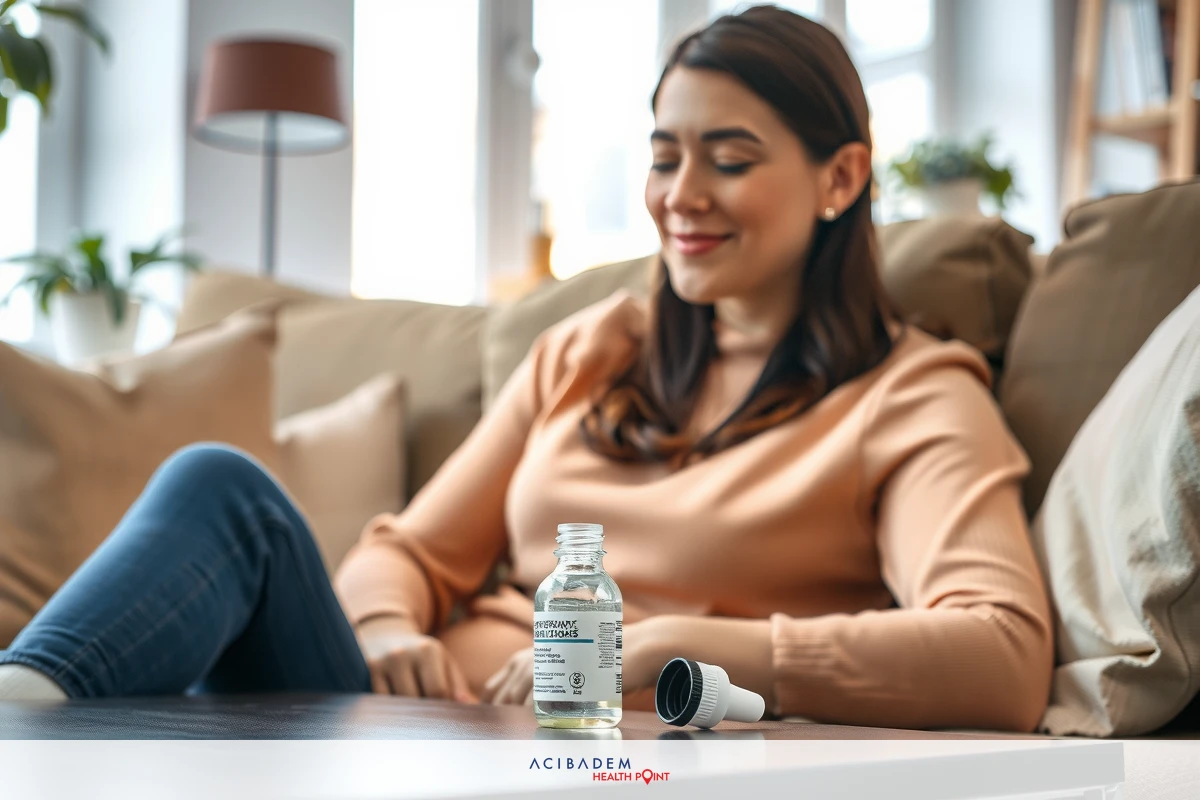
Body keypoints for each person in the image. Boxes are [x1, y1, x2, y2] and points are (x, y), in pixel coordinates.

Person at [0, 5, 1053, 732]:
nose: (680, 193)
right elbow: (406, 548)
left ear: (841, 178)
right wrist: (381, 619)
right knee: (220, 487)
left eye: (728, 158)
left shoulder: (912, 395)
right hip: (404, 715)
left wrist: (691, 644)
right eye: (662, 153)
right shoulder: (596, 348)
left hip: (570, 748)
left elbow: (1000, 653)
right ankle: (23, 715)